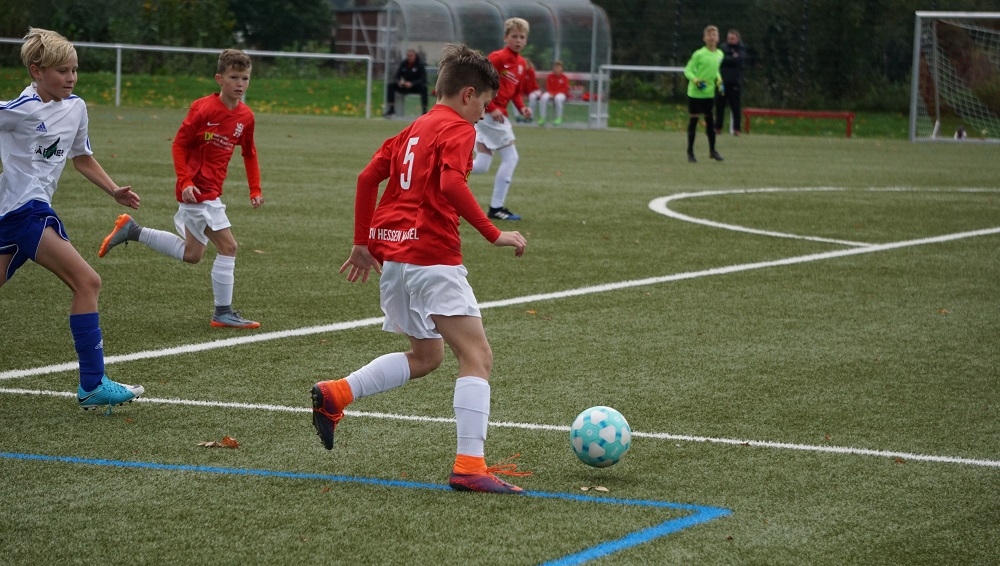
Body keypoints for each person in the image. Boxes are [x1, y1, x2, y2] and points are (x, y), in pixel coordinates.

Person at [311, 43, 529, 495]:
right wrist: (493, 233)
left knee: (428, 356)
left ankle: (337, 393)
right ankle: (469, 466)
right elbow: (451, 183)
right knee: (477, 358)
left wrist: (361, 242)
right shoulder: (459, 128)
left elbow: (367, 178)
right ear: (468, 95)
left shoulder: (412, 129)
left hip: (395, 259)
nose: (483, 115)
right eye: (485, 104)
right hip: (432, 256)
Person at [0, 28, 144, 410]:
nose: (71, 78)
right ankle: (93, 385)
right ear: (37, 71)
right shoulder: (20, 109)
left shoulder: (76, 107)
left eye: (74, 70)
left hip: (15, 216)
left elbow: (82, 157)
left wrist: (113, 190)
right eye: (62, 71)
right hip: (25, 211)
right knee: (88, 281)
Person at [98, 49, 264, 329]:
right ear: (219, 79)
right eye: (234, 77)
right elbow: (179, 144)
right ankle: (222, 313)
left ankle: (133, 231)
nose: (240, 84)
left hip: (211, 193)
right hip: (197, 192)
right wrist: (185, 181)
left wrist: (255, 189)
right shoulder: (203, 108)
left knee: (192, 254)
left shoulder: (246, 117)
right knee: (229, 246)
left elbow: (249, 153)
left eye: (245, 78)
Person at [471, 18, 532, 221]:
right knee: (511, 157)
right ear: (505, 38)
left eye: (522, 37)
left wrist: (522, 108)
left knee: (482, 164)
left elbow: (516, 92)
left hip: (494, 114)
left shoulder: (522, 64)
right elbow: (480, 84)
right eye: (514, 36)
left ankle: (443, 169)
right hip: (489, 114)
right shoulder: (497, 58)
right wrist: (492, 107)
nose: (518, 40)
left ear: (526, 40)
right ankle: (496, 208)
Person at [683, 25, 724, 163]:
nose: (712, 37)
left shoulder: (720, 54)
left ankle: (712, 151)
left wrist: (719, 81)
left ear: (718, 38)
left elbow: (715, 70)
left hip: (708, 94)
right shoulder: (699, 54)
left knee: (710, 122)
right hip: (695, 94)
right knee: (694, 121)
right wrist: (696, 81)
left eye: (714, 35)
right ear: (704, 38)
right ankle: (690, 152)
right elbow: (688, 70)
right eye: (709, 35)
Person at [714, 29, 747, 136]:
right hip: (721, 83)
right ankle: (717, 128)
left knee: (735, 107)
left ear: (737, 39)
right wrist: (732, 57)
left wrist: (729, 59)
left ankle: (736, 129)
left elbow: (739, 60)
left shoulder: (741, 49)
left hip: (734, 83)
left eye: (733, 38)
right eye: (729, 38)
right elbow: (720, 60)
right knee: (719, 106)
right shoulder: (722, 48)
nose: (730, 40)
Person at [384, 48, 428, 118]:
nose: (409, 58)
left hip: (415, 87)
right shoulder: (404, 64)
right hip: (405, 86)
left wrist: (412, 83)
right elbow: (396, 76)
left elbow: (423, 79)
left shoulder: (420, 65)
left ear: (415, 56)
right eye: (408, 56)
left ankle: (424, 110)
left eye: (411, 56)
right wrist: (399, 82)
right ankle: (391, 109)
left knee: (424, 88)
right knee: (391, 86)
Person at [537, 60, 570, 126]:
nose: (556, 69)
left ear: (561, 69)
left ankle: (559, 118)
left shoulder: (564, 78)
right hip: (550, 93)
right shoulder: (550, 76)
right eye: (554, 68)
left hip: (561, 94)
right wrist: (551, 93)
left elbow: (565, 89)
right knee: (543, 98)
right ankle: (542, 118)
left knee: (558, 99)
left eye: (558, 68)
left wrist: (554, 94)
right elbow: (548, 87)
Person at [517, 58, 541, 123]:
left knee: (532, 97)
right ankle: (518, 116)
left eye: (526, 64)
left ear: (529, 64)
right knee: (516, 96)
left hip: (534, 90)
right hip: (525, 92)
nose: (525, 65)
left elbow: (530, 84)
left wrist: (526, 94)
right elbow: (520, 85)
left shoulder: (531, 71)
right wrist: (521, 94)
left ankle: (530, 117)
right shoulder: (520, 72)